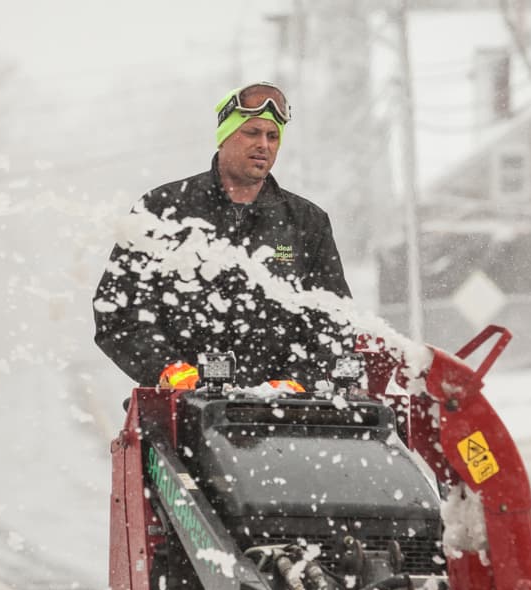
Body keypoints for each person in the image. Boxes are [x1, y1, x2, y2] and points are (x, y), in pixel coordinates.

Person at [93, 81, 353, 390]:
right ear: (224, 136)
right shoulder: (164, 209)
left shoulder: (306, 222)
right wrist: (167, 367)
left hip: (282, 416)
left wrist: (295, 382)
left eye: (273, 136)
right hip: (179, 414)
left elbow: (335, 320)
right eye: (252, 133)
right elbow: (117, 310)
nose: (264, 145)